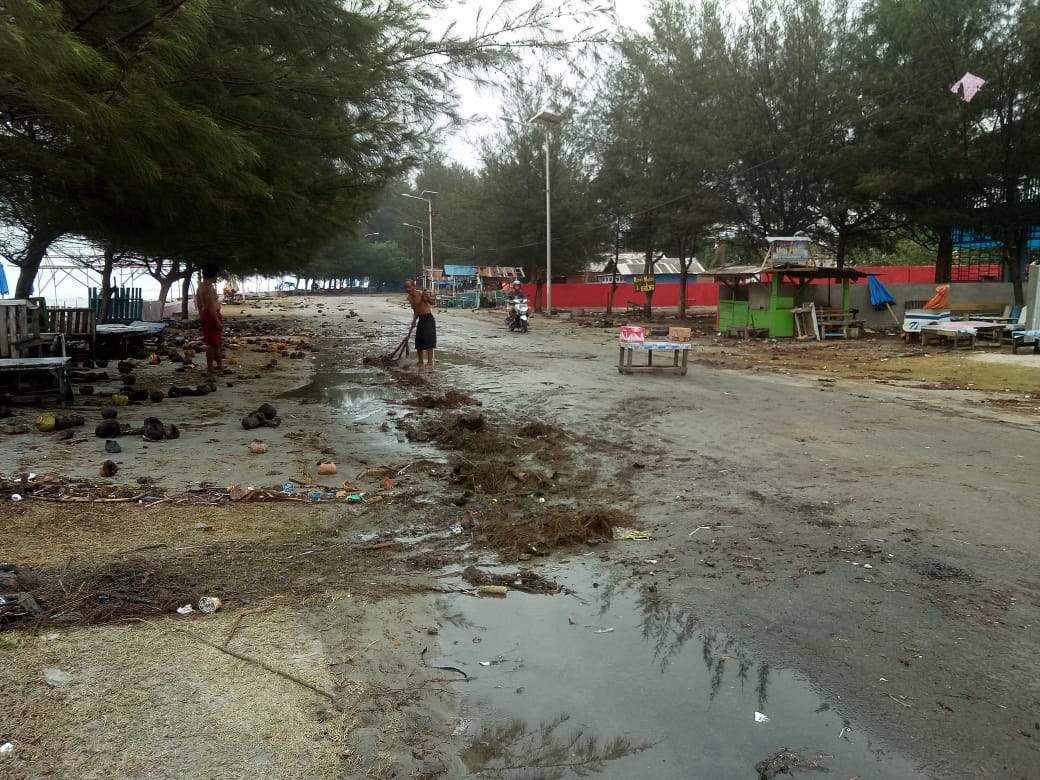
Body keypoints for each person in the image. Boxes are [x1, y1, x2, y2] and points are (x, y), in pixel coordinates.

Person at [195, 263, 228, 375]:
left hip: (207, 315)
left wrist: (202, 316)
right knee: (213, 344)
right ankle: (211, 367)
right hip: (211, 315)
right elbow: (210, 306)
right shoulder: (208, 287)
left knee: (216, 343)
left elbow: (199, 305)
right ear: (213, 275)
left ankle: (219, 365)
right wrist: (217, 321)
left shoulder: (201, 286)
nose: (217, 277)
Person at [404, 279, 436, 369]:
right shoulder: (410, 298)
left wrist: (427, 298)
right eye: (406, 287)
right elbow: (416, 310)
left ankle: (429, 363)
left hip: (428, 318)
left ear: (414, 286)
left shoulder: (421, 293)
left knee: (429, 340)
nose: (407, 289)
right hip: (421, 319)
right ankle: (420, 362)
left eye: (409, 287)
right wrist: (414, 321)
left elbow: (433, 303)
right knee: (419, 341)